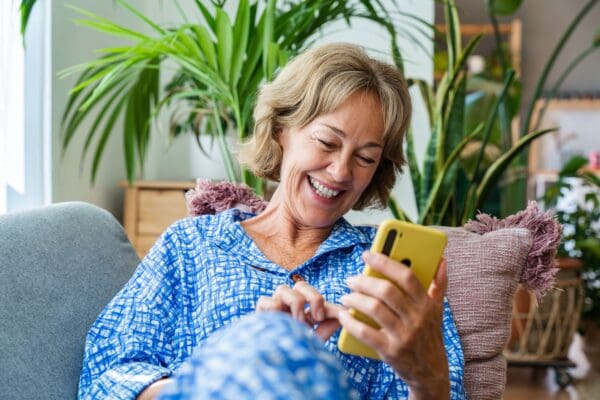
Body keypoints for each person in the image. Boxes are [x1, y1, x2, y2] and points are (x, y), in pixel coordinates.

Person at [78, 43, 465, 399]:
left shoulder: (390, 277)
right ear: (283, 129)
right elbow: (105, 377)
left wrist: (427, 376)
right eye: (327, 142)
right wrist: (246, 358)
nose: (341, 170)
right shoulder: (190, 246)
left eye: (365, 158)